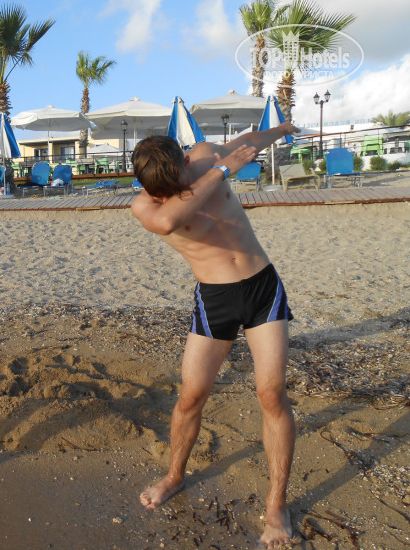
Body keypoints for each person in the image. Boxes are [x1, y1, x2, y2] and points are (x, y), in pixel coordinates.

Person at [130, 121, 300, 549]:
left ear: (186, 160)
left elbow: (251, 141)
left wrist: (281, 128)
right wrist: (224, 171)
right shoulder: (147, 205)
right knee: (191, 396)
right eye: (158, 189)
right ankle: (174, 476)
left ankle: (276, 504)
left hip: (262, 288)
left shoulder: (206, 155)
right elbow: (168, 220)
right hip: (215, 299)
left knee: (271, 394)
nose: (165, 193)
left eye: (173, 182)